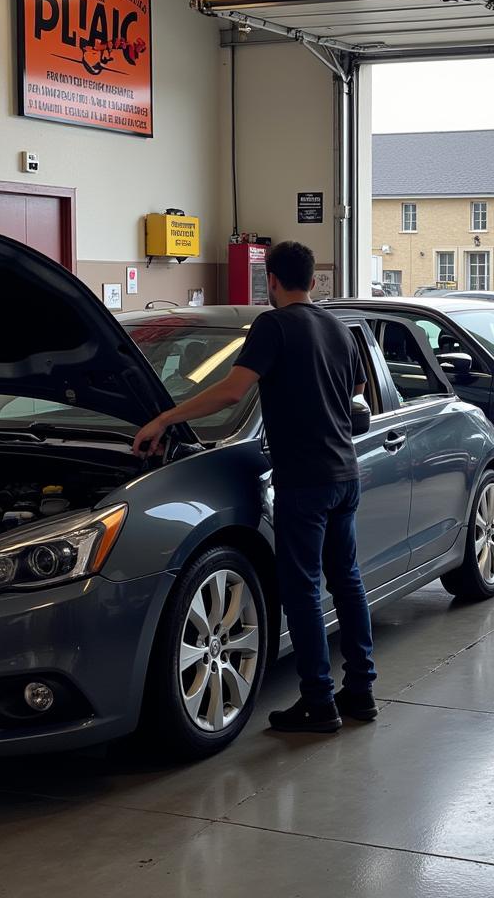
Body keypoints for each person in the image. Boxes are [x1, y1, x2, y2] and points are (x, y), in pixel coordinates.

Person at [132, 241, 377, 734]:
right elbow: (356, 397)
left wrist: (165, 417)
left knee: (303, 590)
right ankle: (361, 693)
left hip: (304, 481)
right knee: (347, 583)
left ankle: (317, 703)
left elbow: (231, 391)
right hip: (344, 475)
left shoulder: (274, 325)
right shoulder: (339, 327)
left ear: (274, 281)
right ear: (311, 278)